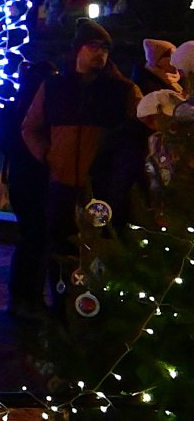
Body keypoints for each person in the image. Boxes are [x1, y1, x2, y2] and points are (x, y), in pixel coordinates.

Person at [21, 21, 142, 311]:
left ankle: (96, 313)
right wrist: (48, 156)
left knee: (100, 252)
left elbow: (135, 135)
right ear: (78, 49)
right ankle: (62, 310)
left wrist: (117, 171)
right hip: (62, 185)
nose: (100, 54)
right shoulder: (55, 87)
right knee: (61, 251)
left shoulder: (122, 90)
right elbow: (31, 127)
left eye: (105, 49)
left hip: (103, 190)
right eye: (93, 46)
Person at [0, 59, 53, 321]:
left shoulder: (12, 108)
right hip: (36, 178)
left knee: (29, 238)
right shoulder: (40, 112)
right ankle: (29, 297)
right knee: (37, 239)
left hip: (20, 179)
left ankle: (20, 296)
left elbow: (5, 145)